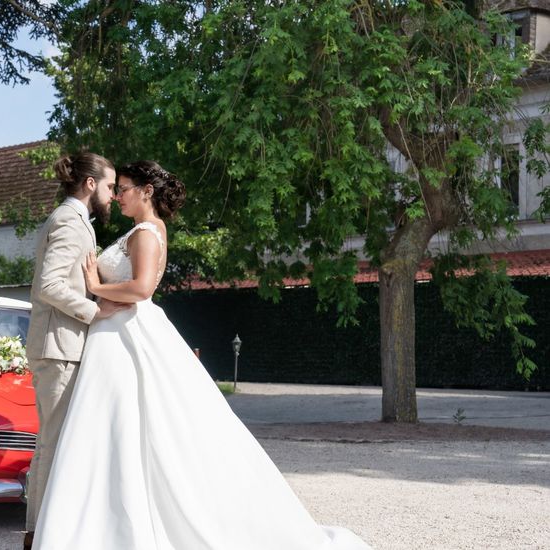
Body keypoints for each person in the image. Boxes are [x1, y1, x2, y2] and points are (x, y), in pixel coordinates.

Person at [32, 161, 372, 549]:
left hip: (123, 328)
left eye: (124, 188)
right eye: (118, 188)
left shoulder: (146, 231)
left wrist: (95, 286)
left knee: (127, 424)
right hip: (114, 332)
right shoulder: (141, 230)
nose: (119, 195)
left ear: (146, 191)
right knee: (115, 427)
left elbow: (142, 289)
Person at [23, 152, 130, 550]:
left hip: (66, 347)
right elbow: (48, 286)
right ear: (89, 185)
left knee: (63, 442)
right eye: (108, 186)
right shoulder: (69, 221)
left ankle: (57, 531)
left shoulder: (76, 221)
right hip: (58, 349)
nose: (111, 195)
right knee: (52, 443)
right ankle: (35, 536)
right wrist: (94, 311)